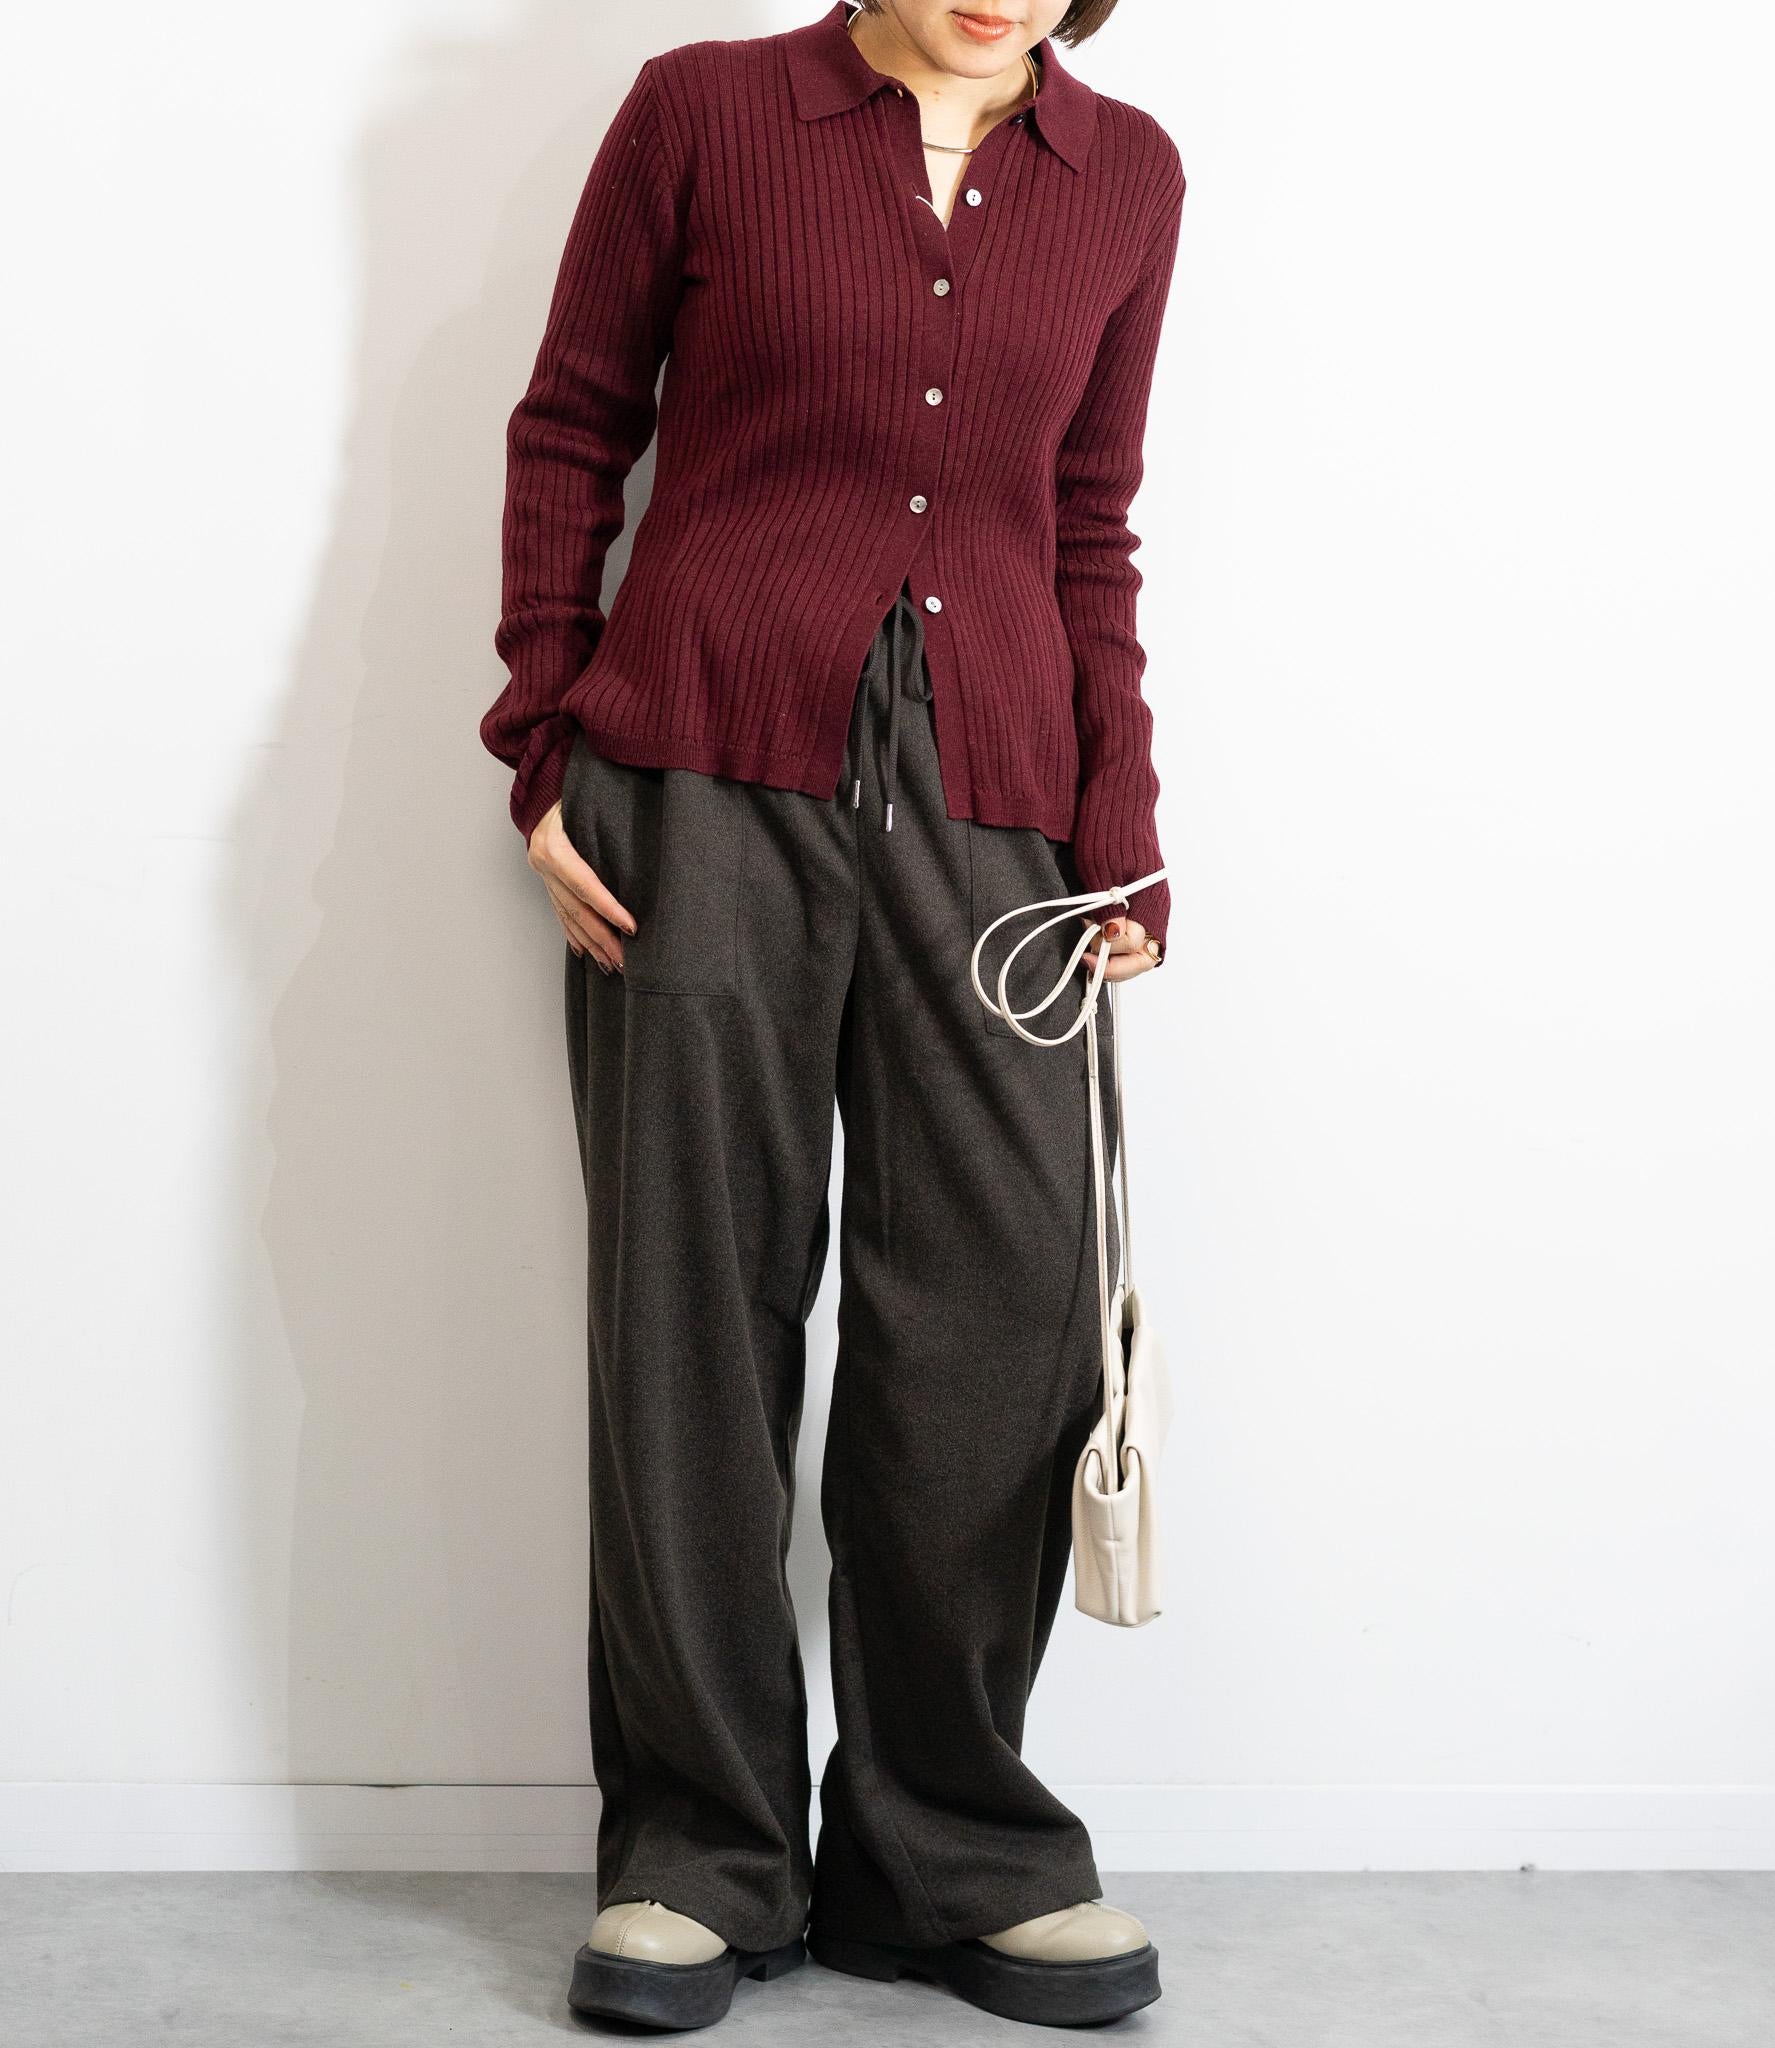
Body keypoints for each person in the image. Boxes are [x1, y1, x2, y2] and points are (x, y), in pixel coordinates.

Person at [479, 0, 1186, 2029]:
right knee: (692, 1309)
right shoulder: (708, 114)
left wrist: (1121, 816)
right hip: (699, 772)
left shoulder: (1126, 173)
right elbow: (573, 427)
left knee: (1000, 1313)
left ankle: (947, 1853)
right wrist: (543, 739)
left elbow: (1088, 517)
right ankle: (699, 1853)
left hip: (1001, 798)